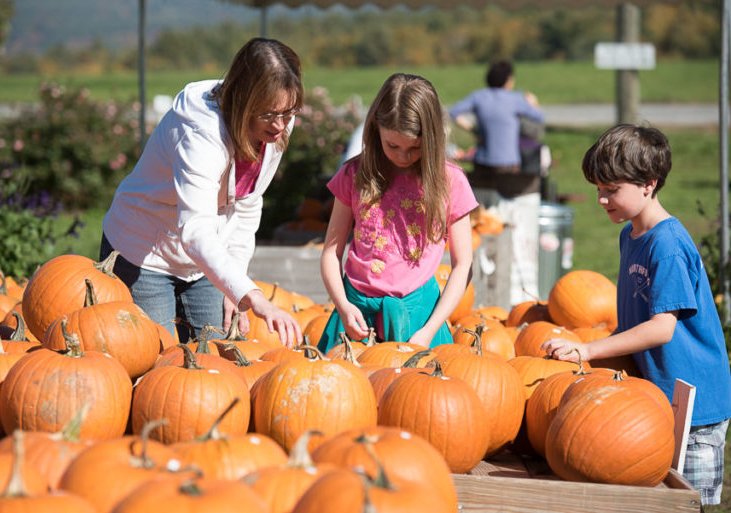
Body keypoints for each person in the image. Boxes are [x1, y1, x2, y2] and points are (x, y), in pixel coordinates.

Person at [541, 124, 731, 506]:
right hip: (658, 397)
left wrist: (588, 350)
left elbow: (661, 329)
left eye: (611, 190)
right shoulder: (630, 235)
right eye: (598, 188)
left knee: (687, 503)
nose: (601, 199)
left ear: (648, 184)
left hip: (695, 407)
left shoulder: (667, 245)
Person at [100, 38, 304, 348]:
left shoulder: (277, 123)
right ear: (243, 102)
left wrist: (236, 286)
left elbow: (248, 203)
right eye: (268, 115)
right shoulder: (200, 135)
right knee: (155, 356)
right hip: (144, 253)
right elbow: (195, 230)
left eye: (288, 113)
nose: (279, 125)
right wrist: (255, 297)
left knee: (217, 356)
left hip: (204, 260)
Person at [317, 73, 478, 352]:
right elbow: (331, 252)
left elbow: (463, 264)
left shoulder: (450, 181)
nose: (403, 156)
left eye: (414, 148)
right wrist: (343, 306)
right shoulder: (355, 174)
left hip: (420, 320)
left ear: (432, 139)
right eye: (393, 145)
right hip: (356, 315)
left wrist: (429, 330)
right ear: (375, 128)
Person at [449, 60, 546, 306]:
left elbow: (453, 111)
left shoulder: (479, 97)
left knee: (482, 212)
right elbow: (538, 117)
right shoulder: (515, 99)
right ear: (509, 80)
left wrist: (473, 129)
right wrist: (532, 102)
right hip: (509, 166)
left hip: (483, 164)